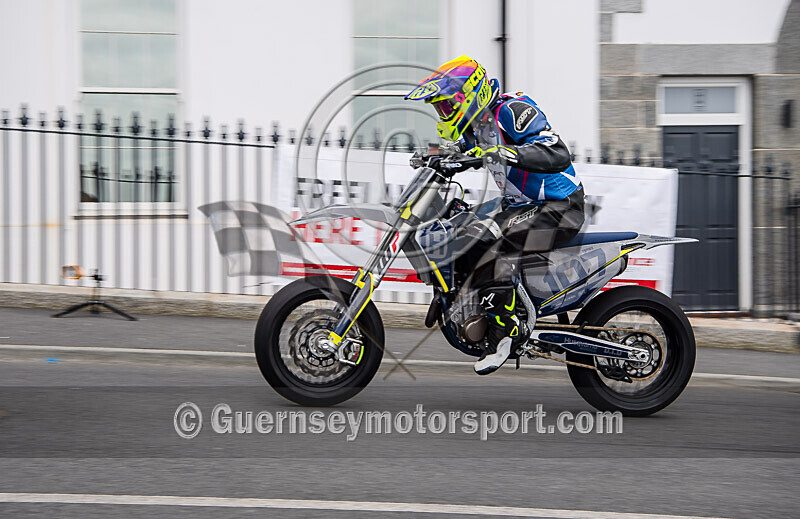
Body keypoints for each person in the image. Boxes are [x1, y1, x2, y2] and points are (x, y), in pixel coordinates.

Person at [405, 55, 585, 375]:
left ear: (468, 95)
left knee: (490, 238)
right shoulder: (477, 128)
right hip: (521, 206)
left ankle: (506, 329)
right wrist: (433, 159)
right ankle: (453, 295)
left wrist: (504, 151)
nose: (444, 113)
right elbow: (463, 154)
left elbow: (557, 152)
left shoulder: (512, 111)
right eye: (440, 108)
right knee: (455, 224)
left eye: (447, 105)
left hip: (560, 208)